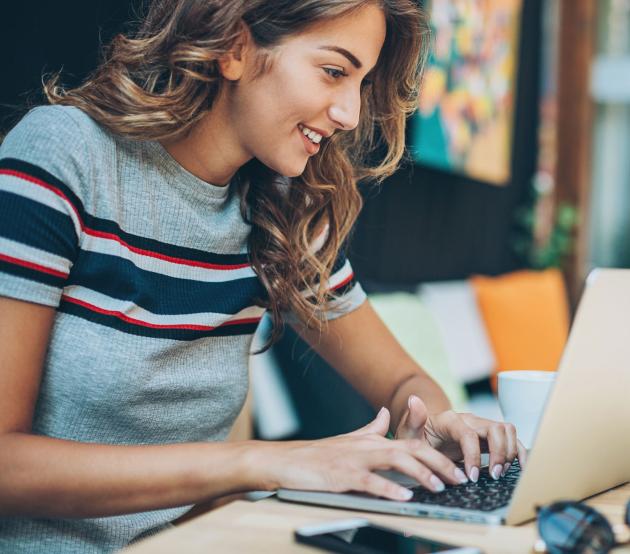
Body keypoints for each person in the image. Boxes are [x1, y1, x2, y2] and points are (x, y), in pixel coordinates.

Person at [0, 1, 526, 552]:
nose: (349, 111)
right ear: (234, 46)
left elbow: (403, 385)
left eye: (360, 82)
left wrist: (439, 424)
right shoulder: (66, 156)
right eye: (333, 71)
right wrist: (263, 462)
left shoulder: (277, 212)